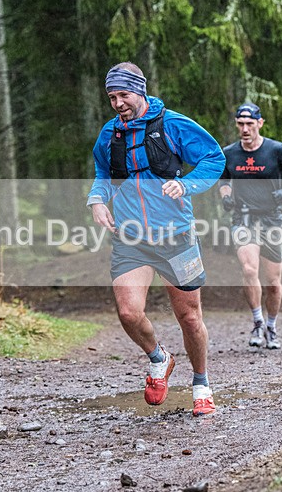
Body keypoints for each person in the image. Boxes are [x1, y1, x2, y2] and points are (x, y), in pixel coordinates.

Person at [87, 62, 225, 417]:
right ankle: (159, 359)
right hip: (131, 238)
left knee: (189, 317)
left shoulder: (173, 125)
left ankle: (201, 384)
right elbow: (103, 173)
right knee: (129, 313)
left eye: (124, 95)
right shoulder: (109, 135)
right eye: (112, 97)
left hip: (175, 235)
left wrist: (187, 184)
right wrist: (98, 201)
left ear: (141, 91)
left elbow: (214, 158)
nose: (118, 103)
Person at [219, 102, 282, 349]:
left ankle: (272, 326)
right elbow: (224, 180)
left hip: (271, 218)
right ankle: (257, 322)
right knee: (249, 270)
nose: (245, 129)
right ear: (236, 124)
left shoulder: (276, 150)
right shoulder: (230, 153)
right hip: (243, 218)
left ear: (260, 123)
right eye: (240, 124)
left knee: (273, 283)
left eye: (249, 124)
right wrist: (226, 196)